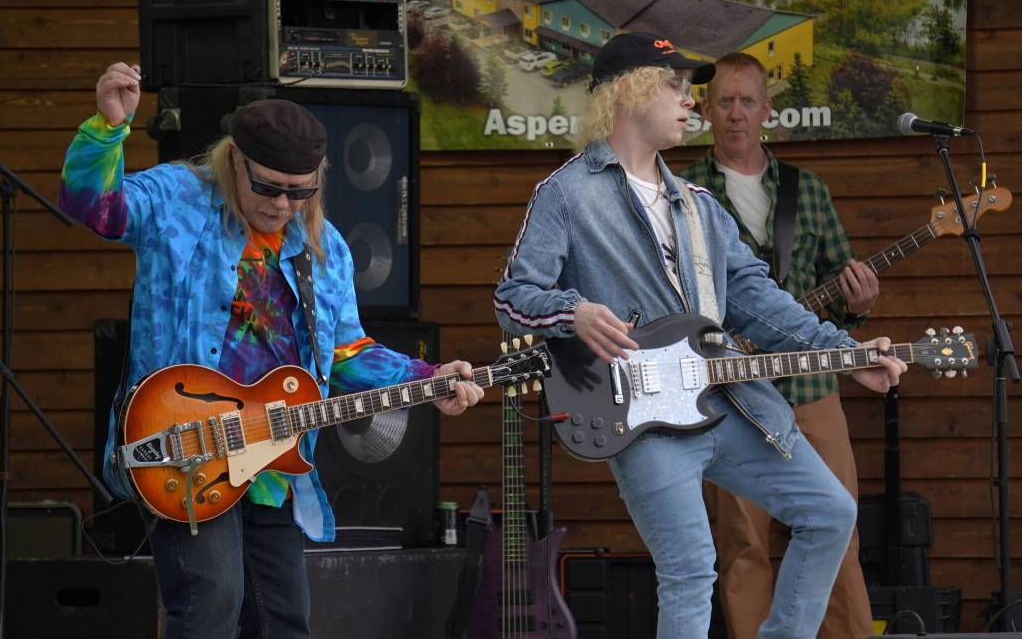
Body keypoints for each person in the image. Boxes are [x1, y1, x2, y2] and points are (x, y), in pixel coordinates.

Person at [492, 32, 905, 639]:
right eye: (676, 84)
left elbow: (762, 304)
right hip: (642, 419)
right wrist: (573, 312)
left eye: (691, 87)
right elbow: (512, 299)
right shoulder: (567, 194)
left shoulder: (700, 205)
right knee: (690, 570)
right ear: (630, 92)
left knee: (830, 511)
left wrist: (844, 353)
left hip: (726, 403)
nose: (692, 99)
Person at [59, 62, 485, 639]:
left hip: (269, 456)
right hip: (183, 443)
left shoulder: (323, 245)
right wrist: (108, 129)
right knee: (212, 601)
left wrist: (429, 377)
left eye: (300, 191)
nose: (283, 205)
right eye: (267, 186)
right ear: (234, 159)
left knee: (284, 619)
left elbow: (345, 351)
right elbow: (95, 209)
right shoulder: (179, 196)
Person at [680, 52, 878, 639]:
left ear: (767, 110)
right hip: (733, 391)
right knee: (745, 541)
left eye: (747, 101)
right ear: (706, 111)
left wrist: (860, 305)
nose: (737, 114)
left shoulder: (807, 191)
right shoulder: (685, 193)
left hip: (812, 385)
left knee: (836, 527)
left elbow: (838, 291)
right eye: (725, 102)